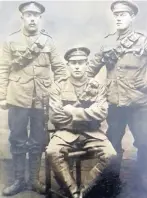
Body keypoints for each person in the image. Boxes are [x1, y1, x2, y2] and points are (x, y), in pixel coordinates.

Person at [0, 1, 67, 196]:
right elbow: (3, 70)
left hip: (42, 99)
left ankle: (34, 180)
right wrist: (2, 95)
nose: (32, 18)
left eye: (35, 15)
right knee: (18, 138)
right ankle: (19, 180)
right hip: (17, 97)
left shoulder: (49, 42)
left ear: (39, 18)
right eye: (28, 15)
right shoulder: (10, 41)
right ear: (22, 18)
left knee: (38, 139)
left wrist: (56, 93)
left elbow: (61, 71)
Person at [87, 0, 147, 191]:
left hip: (139, 103)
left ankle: (142, 179)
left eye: (124, 14)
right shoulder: (108, 42)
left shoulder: (143, 40)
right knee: (112, 142)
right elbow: (91, 68)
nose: (119, 18)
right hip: (115, 102)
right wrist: (79, 81)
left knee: (144, 141)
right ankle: (112, 182)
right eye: (117, 15)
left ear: (132, 17)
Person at [46, 47, 117, 198]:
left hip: (92, 133)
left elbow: (102, 112)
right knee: (52, 151)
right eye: (73, 63)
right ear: (68, 65)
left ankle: (84, 190)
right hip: (66, 133)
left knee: (111, 155)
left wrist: (73, 111)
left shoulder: (97, 86)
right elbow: (55, 117)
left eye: (81, 62)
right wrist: (87, 116)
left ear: (87, 64)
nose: (77, 66)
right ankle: (74, 193)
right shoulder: (58, 86)